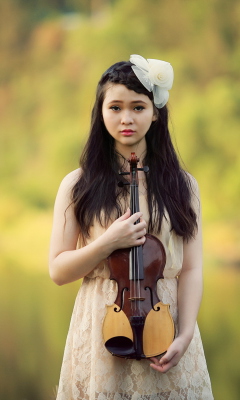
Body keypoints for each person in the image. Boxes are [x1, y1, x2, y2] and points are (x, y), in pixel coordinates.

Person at [49, 54, 214, 400]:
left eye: (138, 107)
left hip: (165, 326)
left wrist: (183, 336)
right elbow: (59, 271)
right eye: (116, 107)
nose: (127, 118)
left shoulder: (183, 184)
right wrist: (107, 243)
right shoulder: (77, 184)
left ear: (156, 113)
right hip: (101, 327)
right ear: (101, 111)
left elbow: (192, 269)